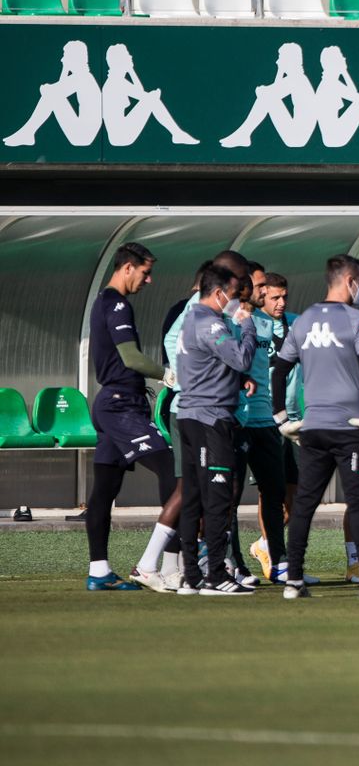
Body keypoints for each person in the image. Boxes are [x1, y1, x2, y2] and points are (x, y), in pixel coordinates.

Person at [272, 254, 359, 600]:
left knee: (304, 504)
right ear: (349, 281)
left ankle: (293, 581)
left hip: (313, 428)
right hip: (350, 428)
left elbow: (279, 371)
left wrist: (281, 419)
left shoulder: (303, 320)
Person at [85, 242, 179, 592]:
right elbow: (131, 358)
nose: (149, 280)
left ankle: (99, 572)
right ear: (127, 268)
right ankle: (168, 564)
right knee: (171, 469)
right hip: (121, 406)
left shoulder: (102, 302)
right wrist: (167, 375)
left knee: (104, 490)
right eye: (145, 272)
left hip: (112, 404)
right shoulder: (118, 304)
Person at [174, 264, 258, 595]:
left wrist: (236, 381)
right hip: (210, 419)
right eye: (234, 294)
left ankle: (191, 575)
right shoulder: (209, 323)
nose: (237, 302)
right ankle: (215, 575)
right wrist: (248, 325)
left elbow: (212, 366)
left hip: (192, 415)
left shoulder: (190, 319)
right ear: (219, 293)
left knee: (193, 496)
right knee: (218, 496)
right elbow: (241, 358)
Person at [234, 264, 291, 585]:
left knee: (275, 491)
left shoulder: (267, 323)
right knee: (228, 496)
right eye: (260, 287)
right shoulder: (229, 319)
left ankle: (278, 560)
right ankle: (231, 563)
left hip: (266, 420)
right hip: (237, 419)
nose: (265, 292)